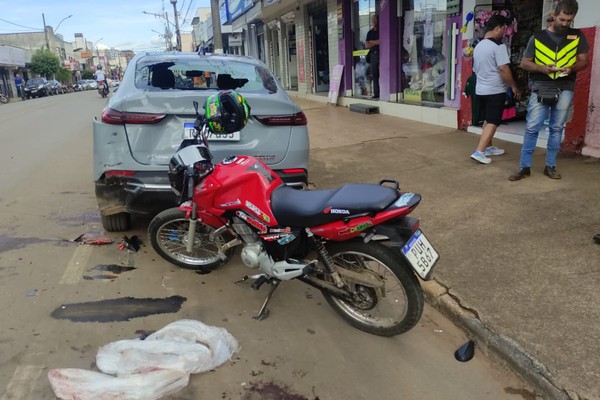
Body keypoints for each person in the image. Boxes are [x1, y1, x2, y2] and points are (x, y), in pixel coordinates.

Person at [509, 0, 589, 181]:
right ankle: (524, 167)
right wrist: (542, 68)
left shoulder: (578, 36)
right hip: (541, 86)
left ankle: (550, 166)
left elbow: (584, 60)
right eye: (562, 19)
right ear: (554, 15)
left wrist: (572, 68)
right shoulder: (537, 37)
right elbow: (524, 63)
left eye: (569, 20)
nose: (565, 24)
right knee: (532, 127)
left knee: (556, 128)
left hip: (566, 86)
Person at [470, 15, 521, 164]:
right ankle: (479, 152)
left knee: (488, 118)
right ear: (497, 28)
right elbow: (503, 68)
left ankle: (488, 147)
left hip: (481, 89)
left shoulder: (478, 46)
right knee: (493, 120)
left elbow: (475, 69)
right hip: (495, 90)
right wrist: (513, 85)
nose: (504, 33)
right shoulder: (498, 46)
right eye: (504, 29)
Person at [365, 14, 380, 99]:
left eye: (375, 20)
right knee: (374, 74)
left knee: (383, 73)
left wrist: (371, 42)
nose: (374, 22)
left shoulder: (381, 30)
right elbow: (366, 45)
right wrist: (375, 42)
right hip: (373, 55)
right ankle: (376, 93)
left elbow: (381, 41)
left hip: (382, 54)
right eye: (373, 20)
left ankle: (384, 92)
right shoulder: (370, 32)